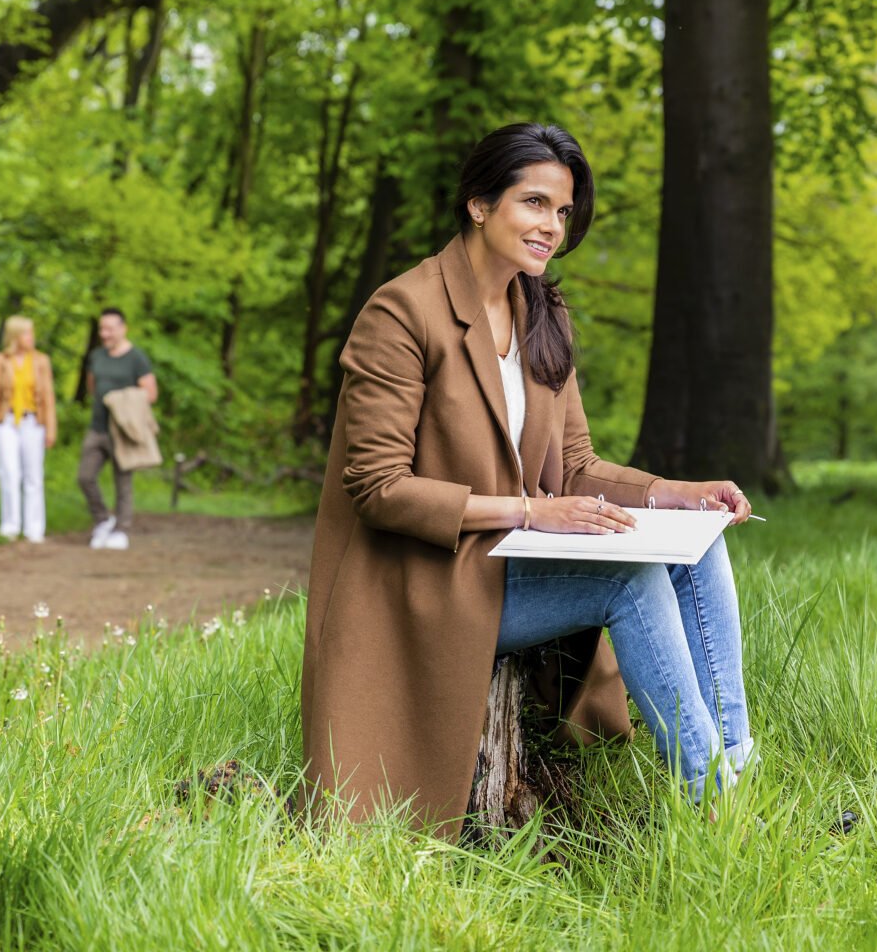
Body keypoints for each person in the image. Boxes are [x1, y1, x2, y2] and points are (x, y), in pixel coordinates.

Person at [300, 122, 756, 839]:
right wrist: (529, 512)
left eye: (563, 211)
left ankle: (737, 775)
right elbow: (379, 488)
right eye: (535, 203)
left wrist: (678, 494)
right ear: (480, 205)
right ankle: (714, 811)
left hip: (509, 560)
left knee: (699, 548)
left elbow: (575, 466)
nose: (553, 226)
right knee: (630, 581)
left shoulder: (542, 312)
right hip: (425, 578)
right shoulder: (403, 311)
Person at [80, 307, 156, 550]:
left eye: (110, 329)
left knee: (123, 482)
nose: (105, 333)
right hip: (97, 427)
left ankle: (121, 530)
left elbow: (150, 393)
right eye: (102, 329)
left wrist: (121, 401)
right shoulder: (97, 356)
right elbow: (92, 386)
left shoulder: (136, 358)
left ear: (123, 329)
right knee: (85, 477)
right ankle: (103, 520)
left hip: (122, 432)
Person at [0, 315, 58, 542]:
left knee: (33, 475)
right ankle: (10, 525)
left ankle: (34, 528)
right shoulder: (0, 361)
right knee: (8, 472)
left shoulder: (41, 361)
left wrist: (51, 429)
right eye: (26, 333)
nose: (31, 337)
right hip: (6, 422)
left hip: (33, 422)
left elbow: (48, 397)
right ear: (15, 336)